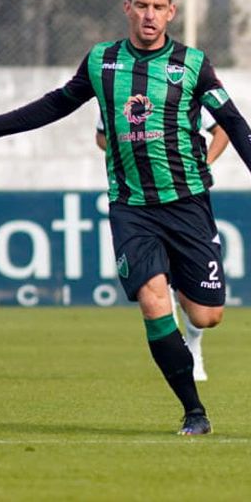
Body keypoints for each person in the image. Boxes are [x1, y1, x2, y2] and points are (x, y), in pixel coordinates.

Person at [0, 0, 251, 436]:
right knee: (151, 300)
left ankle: (189, 311)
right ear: (128, 8)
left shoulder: (192, 64)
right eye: (141, 5)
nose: (149, 15)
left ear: (171, 13)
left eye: (158, 7)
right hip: (131, 207)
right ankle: (194, 411)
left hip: (187, 202)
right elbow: (55, 104)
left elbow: (233, 121)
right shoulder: (102, 63)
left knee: (206, 315)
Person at [95, 108, 229, 381]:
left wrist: (203, 162)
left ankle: (194, 344)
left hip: (187, 201)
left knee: (206, 313)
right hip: (140, 205)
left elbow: (223, 129)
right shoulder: (117, 88)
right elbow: (100, 136)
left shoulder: (187, 91)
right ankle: (183, 354)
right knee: (157, 281)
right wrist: (131, 159)